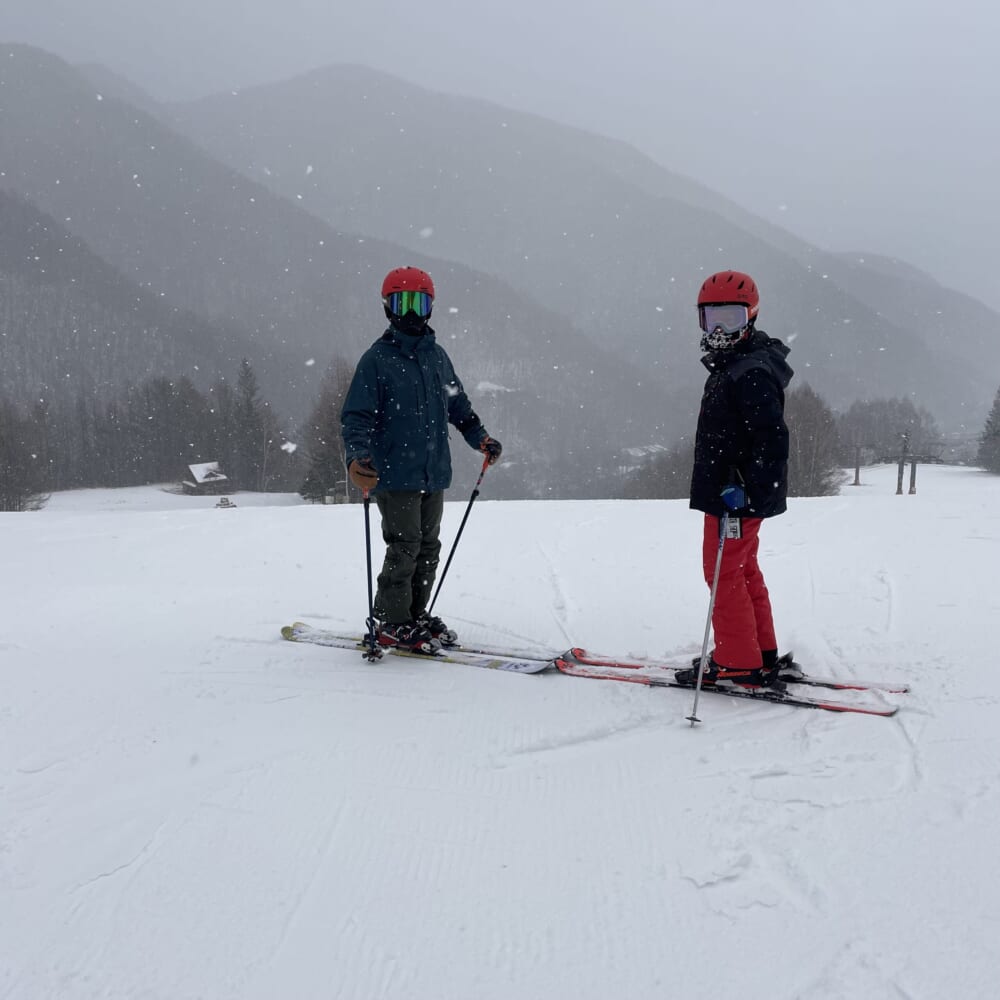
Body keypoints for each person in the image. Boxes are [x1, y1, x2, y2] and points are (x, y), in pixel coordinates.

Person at [341, 266, 502, 654]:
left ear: (430, 308)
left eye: (419, 302)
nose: (411, 313)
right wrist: (357, 458)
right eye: (402, 302)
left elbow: (457, 405)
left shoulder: (437, 357)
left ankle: (414, 614)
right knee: (405, 546)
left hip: (433, 472)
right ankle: (393, 621)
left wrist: (479, 437)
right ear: (388, 307)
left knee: (428, 547)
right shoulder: (377, 360)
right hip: (394, 474)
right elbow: (356, 417)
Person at [674, 270, 795, 689]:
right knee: (742, 571)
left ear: (752, 316)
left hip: (735, 497)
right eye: (712, 318)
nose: (721, 329)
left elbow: (772, 439)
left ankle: (737, 661)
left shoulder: (750, 372)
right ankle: (760, 651)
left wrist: (745, 487)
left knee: (723, 572)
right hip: (734, 492)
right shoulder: (736, 365)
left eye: (732, 317)